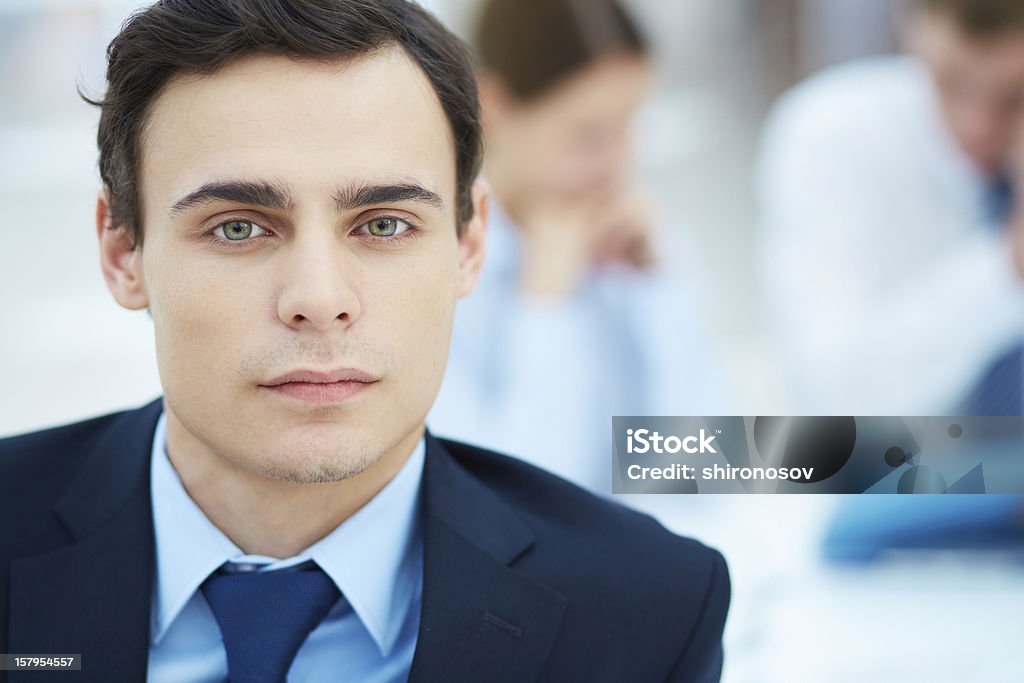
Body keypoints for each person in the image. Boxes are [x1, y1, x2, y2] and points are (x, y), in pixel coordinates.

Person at [0, 1, 729, 682]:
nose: (320, 300)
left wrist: (656, 293)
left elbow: (716, 457)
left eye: (383, 224)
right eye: (238, 227)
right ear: (123, 251)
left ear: (467, 241)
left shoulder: (655, 614)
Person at [428, 0, 726, 492]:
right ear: (494, 107)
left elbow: (703, 463)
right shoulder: (442, 265)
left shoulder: (637, 240)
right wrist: (546, 300)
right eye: (589, 135)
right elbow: (519, 496)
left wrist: (660, 286)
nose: (621, 160)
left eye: (632, 124)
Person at [757, 0, 1024, 415]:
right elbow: (833, 401)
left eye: (1014, 98)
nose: (977, 126)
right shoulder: (833, 136)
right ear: (911, 27)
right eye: (950, 82)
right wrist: (1007, 265)